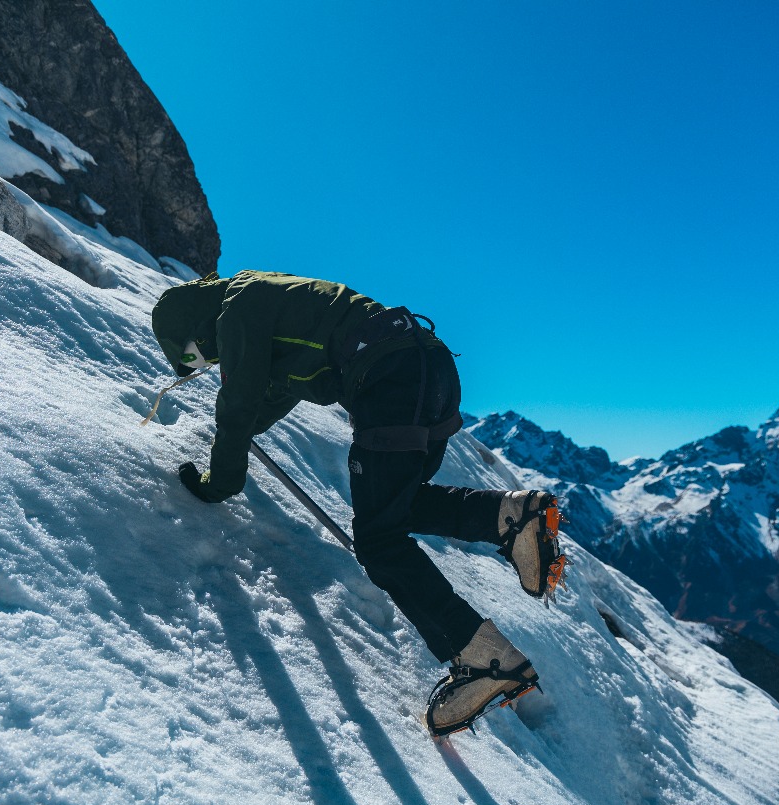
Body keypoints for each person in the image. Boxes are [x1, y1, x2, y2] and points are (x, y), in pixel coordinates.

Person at [151, 270, 566, 735]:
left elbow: (240, 397)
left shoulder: (236, 311)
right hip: (428, 368)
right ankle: (512, 516)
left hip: (390, 377)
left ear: (193, 326)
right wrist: (239, 435)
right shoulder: (265, 295)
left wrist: (218, 482)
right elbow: (271, 392)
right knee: (394, 506)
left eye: (193, 354)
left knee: (378, 539)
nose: (203, 361)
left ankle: (484, 659)